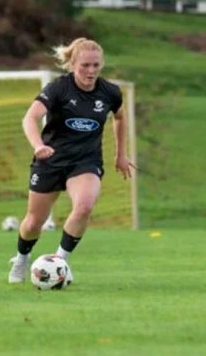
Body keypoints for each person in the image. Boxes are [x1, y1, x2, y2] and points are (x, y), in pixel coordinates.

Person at [7, 37, 136, 284]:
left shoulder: (109, 92)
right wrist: (38, 146)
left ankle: (59, 262)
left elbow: (119, 117)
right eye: (85, 65)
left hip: (85, 162)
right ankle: (21, 259)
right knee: (34, 222)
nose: (91, 71)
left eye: (96, 65)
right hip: (51, 160)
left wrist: (120, 154)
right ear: (73, 64)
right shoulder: (58, 89)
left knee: (85, 206)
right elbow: (29, 118)